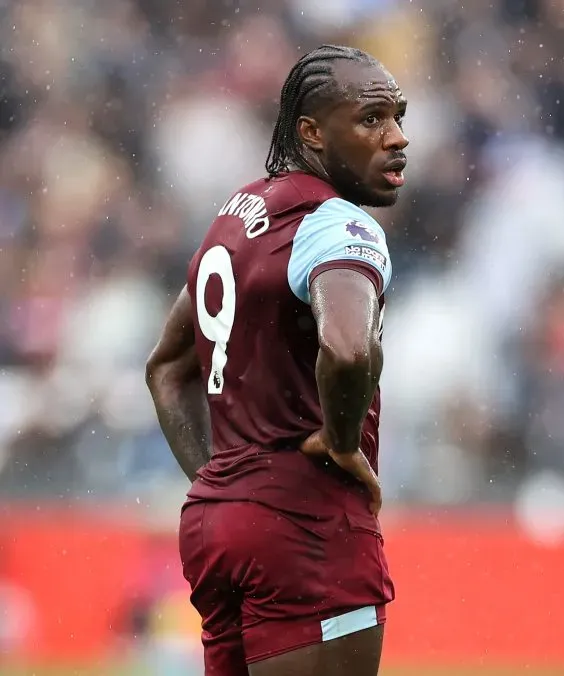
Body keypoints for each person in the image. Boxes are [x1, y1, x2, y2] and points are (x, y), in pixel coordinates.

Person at [145, 44, 409, 676]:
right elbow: (346, 348)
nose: (397, 137)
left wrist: (228, 484)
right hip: (308, 521)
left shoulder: (236, 218)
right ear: (311, 132)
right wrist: (343, 442)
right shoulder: (334, 222)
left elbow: (167, 368)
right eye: (371, 119)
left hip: (219, 527)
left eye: (399, 116)